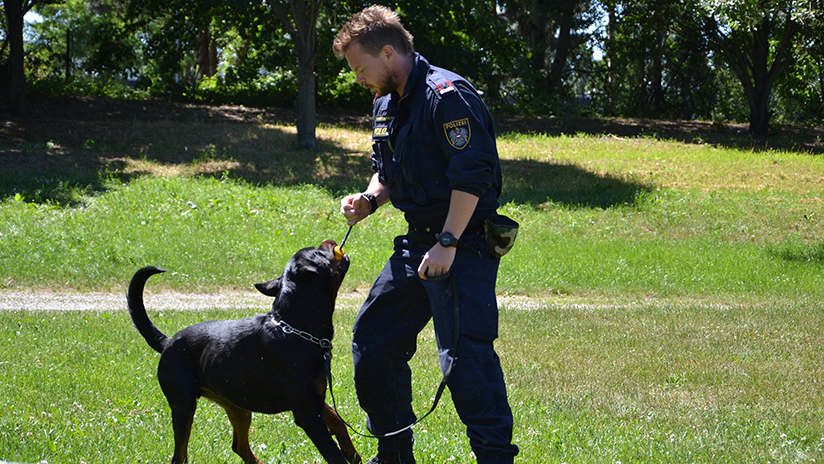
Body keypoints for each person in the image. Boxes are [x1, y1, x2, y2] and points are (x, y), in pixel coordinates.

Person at [333, 6, 519, 464]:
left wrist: (449, 242)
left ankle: (495, 458)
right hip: (419, 243)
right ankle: (394, 457)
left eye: (360, 67)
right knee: (373, 339)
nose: (357, 78)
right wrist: (369, 200)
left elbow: (472, 176)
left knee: (464, 359)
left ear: (389, 52)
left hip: (464, 241)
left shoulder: (447, 96)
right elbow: (388, 169)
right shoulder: (384, 101)